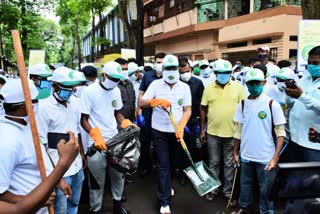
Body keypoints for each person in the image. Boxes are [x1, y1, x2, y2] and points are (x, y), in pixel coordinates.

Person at [140, 54, 192, 214]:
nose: (170, 71)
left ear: (178, 69)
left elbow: (187, 110)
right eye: (167, 68)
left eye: (173, 68)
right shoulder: (156, 85)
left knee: (172, 162)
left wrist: (182, 126)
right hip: (159, 131)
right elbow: (141, 102)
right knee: (163, 165)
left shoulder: (184, 87)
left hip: (176, 132)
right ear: (162, 70)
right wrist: (154, 102)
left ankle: (167, 186)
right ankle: (164, 201)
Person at [80, 61, 133, 214]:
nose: (115, 82)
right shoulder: (89, 91)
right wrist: (94, 135)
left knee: (118, 176)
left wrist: (125, 122)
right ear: (103, 75)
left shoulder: (116, 91)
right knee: (97, 181)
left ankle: (117, 206)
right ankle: (95, 209)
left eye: (117, 79)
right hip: (96, 145)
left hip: (114, 142)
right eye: (112, 78)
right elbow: (83, 119)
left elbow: (117, 113)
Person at [233, 68, 286, 214]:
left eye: (257, 83)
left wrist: (275, 158)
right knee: (245, 186)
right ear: (246, 84)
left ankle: (267, 211)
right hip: (246, 156)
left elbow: (280, 133)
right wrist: (235, 152)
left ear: (264, 82)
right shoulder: (242, 104)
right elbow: (238, 131)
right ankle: (244, 208)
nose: (254, 86)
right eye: (251, 83)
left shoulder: (272, 104)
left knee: (266, 190)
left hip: (265, 157)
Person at [0, 79, 54, 214]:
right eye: (35, 100)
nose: (38, 103)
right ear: (25, 107)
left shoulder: (27, 123)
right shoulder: (7, 141)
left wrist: (57, 182)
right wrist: (36, 200)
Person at [37, 67, 84, 214]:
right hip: (60, 171)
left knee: (74, 204)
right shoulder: (43, 108)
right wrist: (57, 178)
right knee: (60, 210)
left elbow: (77, 131)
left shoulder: (75, 103)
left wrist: (82, 155)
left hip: (77, 167)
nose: (70, 91)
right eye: (67, 88)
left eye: (73, 88)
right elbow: (42, 146)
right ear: (55, 85)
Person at [0, 132, 79, 214]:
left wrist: (59, 180)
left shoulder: (29, 129)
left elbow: (42, 154)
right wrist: (37, 200)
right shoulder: (5, 139)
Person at [200, 59, 244, 203]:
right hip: (212, 133)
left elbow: (244, 109)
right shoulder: (208, 88)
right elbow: (203, 109)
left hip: (232, 133)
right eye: (220, 73)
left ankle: (228, 193)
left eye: (226, 73)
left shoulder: (238, 87)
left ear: (230, 73)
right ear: (216, 73)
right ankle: (213, 190)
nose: (223, 75)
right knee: (213, 163)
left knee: (230, 164)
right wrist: (202, 130)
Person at [284, 45, 320, 162]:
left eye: (315, 63)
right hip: (295, 140)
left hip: (314, 146)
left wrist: (302, 96)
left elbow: (304, 98)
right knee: (295, 177)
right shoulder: (305, 78)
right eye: (309, 62)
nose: (311, 66)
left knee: (312, 179)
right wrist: (289, 95)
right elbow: (294, 101)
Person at [138, 52, 166, 176]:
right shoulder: (147, 76)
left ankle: (159, 165)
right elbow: (141, 94)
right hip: (148, 113)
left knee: (160, 142)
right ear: (154, 63)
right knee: (145, 141)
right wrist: (139, 113)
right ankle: (146, 166)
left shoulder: (169, 76)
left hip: (163, 114)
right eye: (158, 62)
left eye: (162, 63)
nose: (160, 65)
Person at [178, 58, 204, 185]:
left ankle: (196, 174)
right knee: (182, 149)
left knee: (195, 148)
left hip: (194, 120)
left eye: (187, 71)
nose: (185, 74)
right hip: (180, 121)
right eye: (182, 72)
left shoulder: (198, 83)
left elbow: (202, 104)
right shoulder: (176, 84)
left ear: (191, 69)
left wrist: (201, 123)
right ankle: (183, 173)